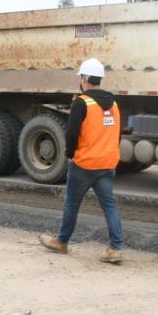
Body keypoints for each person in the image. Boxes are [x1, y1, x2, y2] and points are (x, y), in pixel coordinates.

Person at [38, 58, 123, 264]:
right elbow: (117, 135)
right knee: (109, 206)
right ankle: (115, 249)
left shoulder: (81, 102)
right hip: (107, 163)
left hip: (84, 163)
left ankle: (62, 242)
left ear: (84, 79)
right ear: (100, 79)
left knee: (72, 204)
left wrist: (70, 154)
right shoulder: (114, 104)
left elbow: (71, 134)